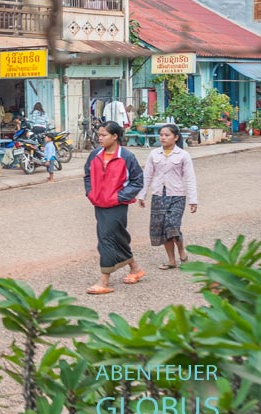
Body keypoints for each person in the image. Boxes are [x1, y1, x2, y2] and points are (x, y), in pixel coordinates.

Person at [83, 121, 145, 294]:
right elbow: (87, 175)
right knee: (117, 237)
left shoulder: (127, 157)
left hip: (117, 205)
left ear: (115, 136)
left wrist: (119, 197)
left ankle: (104, 281)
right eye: (99, 135)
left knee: (106, 239)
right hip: (99, 203)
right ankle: (136, 268)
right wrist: (91, 192)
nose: (100, 138)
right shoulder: (95, 154)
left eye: (104, 135)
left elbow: (137, 181)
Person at [136, 124, 198, 270]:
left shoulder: (183, 155)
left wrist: (193, 199)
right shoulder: (154, 154)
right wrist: (142, 195)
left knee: (172, 225)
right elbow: (147, 175)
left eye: (167, 135)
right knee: (162, 227)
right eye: (161, 135)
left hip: (177, 195)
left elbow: (190, 178)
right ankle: (171, 260)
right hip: (158, 195)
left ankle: (182, 251)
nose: (163, 137)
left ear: (176, 137)